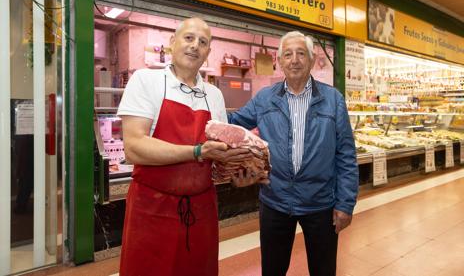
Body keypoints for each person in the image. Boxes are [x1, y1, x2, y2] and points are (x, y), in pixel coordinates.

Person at [117, 17, 256, 276]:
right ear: (172, 42)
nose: (194, 46)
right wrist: (196, 152)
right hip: (152, 210)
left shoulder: (214, 95)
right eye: (188, 38)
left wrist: (239, 174)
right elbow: (134, 147)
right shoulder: (146, 80)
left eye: (203, 42)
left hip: (202, 211)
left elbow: (218, 160)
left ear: (208, 53)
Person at [229, 31, 359, 276]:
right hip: (275, 200)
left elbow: (346, 155)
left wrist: (345, 203)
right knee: (273, 269)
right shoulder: (264, 99)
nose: (295, 60)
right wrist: (203, 107)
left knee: (323, 270)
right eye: (287, 54)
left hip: (320, 202)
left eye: (301, 53)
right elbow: (233, 123)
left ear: (311, 60)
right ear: (279, 62)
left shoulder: (333, 99)